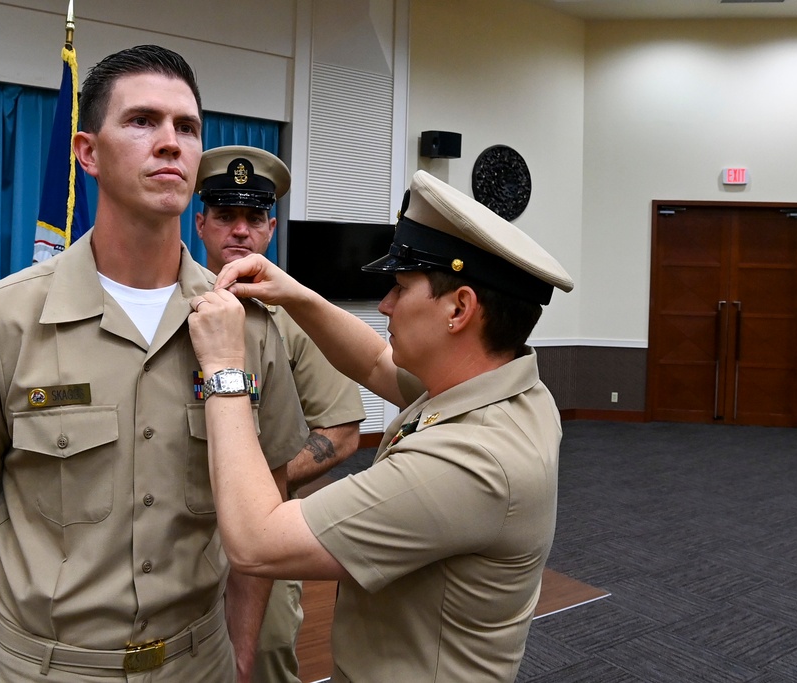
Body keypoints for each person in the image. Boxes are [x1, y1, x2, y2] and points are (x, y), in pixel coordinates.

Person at [0, 45, 307, 683]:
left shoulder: (247, 327)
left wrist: (242, 657)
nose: (170, 142)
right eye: (143, 121)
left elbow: (267, 509)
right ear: (87, 152)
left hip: (199, 666)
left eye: (187, 127)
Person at [187, 169, 575, 682]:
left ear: (460, 308)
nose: (385, 305)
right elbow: (374, 362)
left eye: (399, 287)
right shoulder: (505, 388)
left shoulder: (473, 461)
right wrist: (296, 294)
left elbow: (256, 541)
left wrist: (224, 367)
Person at [194, 145, 366, 683]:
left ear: (270, 229)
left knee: (260, 663)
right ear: (200, 223)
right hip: (173, 537)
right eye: (226, 216)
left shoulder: (294, 319)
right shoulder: (169, 308)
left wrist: (249, 486)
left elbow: (339, 435)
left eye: (254, 218)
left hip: (263, 542)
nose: (239, 231)